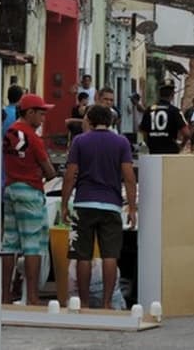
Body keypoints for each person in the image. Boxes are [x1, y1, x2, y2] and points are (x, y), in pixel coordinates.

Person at [61, 105, 137, 310]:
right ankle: (106, 303)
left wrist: (64, 204)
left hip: (84, 203)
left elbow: (70, 175)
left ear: (90, 120)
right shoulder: (121, 142)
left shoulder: (79, 141)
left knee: (82, 255)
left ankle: (84, 303)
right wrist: (132, 207)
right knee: (110, 255)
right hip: (111, 205)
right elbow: (129, 178)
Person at [1, 94, 58, 304]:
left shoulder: (10, 132)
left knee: (9, 244)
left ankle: (4, 295)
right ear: (30, 112)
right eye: (41, 113)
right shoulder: (33, 138)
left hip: (10, 188)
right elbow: (50, 172)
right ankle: (33, 296)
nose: (43, 118)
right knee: (32, 245)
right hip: (30, 192)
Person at [139, 79, 189, 154]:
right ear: (172, 94)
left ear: (159, 93)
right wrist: (181, 145)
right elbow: (186, 133)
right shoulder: (175, 111)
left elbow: (144, 132)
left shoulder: (149, 110)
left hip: (154, 152)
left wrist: (150, 144)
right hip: (170, 152)